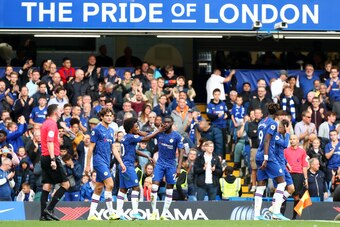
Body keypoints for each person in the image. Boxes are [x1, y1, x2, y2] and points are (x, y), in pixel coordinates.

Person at [116, 117, 164, 220]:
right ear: (130, 128)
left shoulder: (126, 137)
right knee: (136, 187)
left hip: (123, 165)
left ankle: (118, 213)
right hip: (128, 165)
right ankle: (134, 212)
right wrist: (158, 131)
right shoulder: (130, 137)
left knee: (123, 189)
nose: (137, 128)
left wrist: (146, 156)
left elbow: (133, 151)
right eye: (136, 126)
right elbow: (146, 138)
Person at [85, 108, 126, 221]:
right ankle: (111, 213)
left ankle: (91, 215)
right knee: (110, 184)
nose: (109, 117)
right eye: (106, 115)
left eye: (110, 115)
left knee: (98, 187)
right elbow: (91, 148)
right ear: (102, 117)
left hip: (107, 162)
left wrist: (121, 162)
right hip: (99, 161)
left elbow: (113, 147)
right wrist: (88, 165)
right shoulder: (97, 129)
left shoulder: (111, 130)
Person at [253, 103, 289, 220]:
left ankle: (257, 215)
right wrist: (266, 158)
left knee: (261, 185)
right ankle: (276, 212)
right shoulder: (273, 123)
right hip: (267, 155)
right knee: (282, 183)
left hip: (258, 154)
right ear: (277, 113)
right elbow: (267, 141)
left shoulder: (261, 122)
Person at [149, 116, 185, 220]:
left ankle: (164, 214)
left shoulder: (177, 136)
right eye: (165, 122)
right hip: (160, 164)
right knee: (154, 187)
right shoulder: (159, 133)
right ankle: (153, 212)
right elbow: (148, 136)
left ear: (172, 123)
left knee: (169, 190)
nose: (166, 124)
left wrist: (179, 167)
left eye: (168, 122)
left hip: (171, 165)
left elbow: (181, 151)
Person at [40, 104, 70, 221]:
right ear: (55, 112)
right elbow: (50, 142)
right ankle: (50, 209)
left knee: (47, 185)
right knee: (65, 184)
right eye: (59, 109)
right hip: (51, 157)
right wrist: (53, 159)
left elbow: (50, 139)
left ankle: (43, 215)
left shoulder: (46, 123)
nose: (61, 111)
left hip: (44, 156)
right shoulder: (52, 124)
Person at [284, 135, 309, 220]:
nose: (292, 141)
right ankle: (281, 215)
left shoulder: (302, 152)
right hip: (287, 175)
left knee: (296, 196)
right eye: (290, 139)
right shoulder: (285, 151)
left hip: (298, 175)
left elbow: (304, 166)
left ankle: (294, 217)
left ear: (298, 140)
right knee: (285, 194)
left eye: (294, 139)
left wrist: (305, 179)